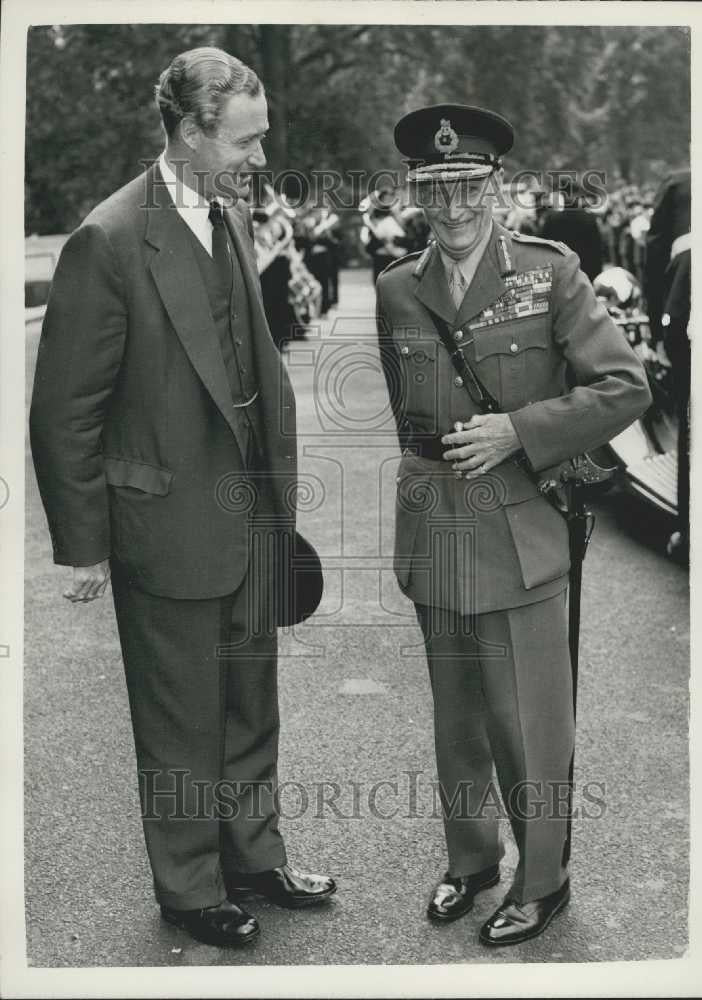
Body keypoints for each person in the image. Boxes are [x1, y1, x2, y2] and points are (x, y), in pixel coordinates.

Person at [29, 47, 335, 949]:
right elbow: (64, 410)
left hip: (249, 516)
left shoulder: (228, 211)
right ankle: (190, 888)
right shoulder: (109, 237)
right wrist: (84, 544)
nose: (258, 157)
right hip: (163, 522)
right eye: (246, 140)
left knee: (249, 700)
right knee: (178, 720)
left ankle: (254, 855)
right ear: (190, 132)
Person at [376, 104, 651, 946]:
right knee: (456, 719)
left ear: (495, 185)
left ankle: (545, 881)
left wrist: (519, 432)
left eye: (468, 186)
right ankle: (471, 862)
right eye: (436, 190)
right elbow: (410, 414)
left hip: (523, 530)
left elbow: (623, 387)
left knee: (527, 722)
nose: (453, 208)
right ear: (416, 192)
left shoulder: (550, 273)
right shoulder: (396, 286)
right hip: (436, 531)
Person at [643, 169, 691, 563]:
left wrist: (654, 325)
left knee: (692, 422)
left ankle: (690, 532)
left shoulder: (679, 184)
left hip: (692, 308)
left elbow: (655, 252)